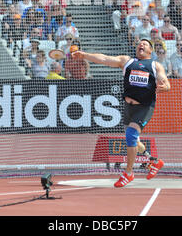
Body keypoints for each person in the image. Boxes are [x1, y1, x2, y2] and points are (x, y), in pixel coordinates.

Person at [71, 38, 170, 187]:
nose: (141, 45)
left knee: (131, 135)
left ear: (150, 51)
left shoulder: (155, 66)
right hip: (128, 107)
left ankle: (128, 173)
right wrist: (84, 55)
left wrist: (166, 87)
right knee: (134, 140)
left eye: (145, 44)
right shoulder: (127, 61)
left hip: (144, 107)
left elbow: (165, 82)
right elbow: (104, 58)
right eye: (139, 44)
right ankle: (154, 161)